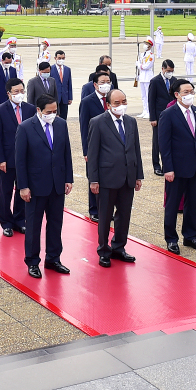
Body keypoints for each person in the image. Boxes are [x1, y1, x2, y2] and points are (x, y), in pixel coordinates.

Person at [15, 95, 74, 278]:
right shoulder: (25, 127)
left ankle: (53, 258)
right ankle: (32, 261)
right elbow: (20, 160)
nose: (52, 114)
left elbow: (66, 152)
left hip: (57, 184)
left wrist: (68, 178)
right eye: (49, 112)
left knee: (56, 223)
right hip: (35, 186)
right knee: (33, 225)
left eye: (55, 111)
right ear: (39, 110)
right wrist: (23, 186)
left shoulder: (61, 124)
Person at [86, 88, 143, 267]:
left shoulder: (131, 122)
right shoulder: (97, 122)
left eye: (123, 102)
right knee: (105, 216)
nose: (121, 105)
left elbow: (136, 150)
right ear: (108, 105)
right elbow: (92, 154)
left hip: (127, 177)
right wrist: (93, 179)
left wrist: (138, 175)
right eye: (117, 103)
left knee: (124, 215)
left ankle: (119, 247)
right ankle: (104, 250)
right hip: (107, 178)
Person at [158, 79, 196, 254]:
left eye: (191, 91)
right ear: (177, 95)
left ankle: (190, 236)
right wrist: (168, 168)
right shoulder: (168, 114)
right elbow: (164, 144)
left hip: (194, 166)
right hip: (176, 168)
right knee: (172, 205)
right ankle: (171, 239)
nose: (189, 95)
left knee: (192, 204)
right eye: (186, 92)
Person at [0, 77, 33, 237]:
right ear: (9, 93)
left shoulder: (30, 109)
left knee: (22, 189)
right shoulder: (0, 110)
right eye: (16, 91)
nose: (19, 94)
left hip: (26, 158)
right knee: (6, 192)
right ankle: (6, 222)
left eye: (22, 91)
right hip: (8, 158)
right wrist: (0, 159)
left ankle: (19, 220)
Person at [77, 71, 111, 221]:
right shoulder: (87, 102)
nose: (106, 85)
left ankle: (107, 209)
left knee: (109, 179)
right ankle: (94, 210)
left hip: (111, 147)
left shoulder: (112, 99)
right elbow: (84, 128)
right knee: (94, 177)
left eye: (108, 82)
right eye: (103, 82)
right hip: (94, 146)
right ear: (95, 85)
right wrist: (86, 151)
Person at [147, 60, 176, 175]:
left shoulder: (174, 80)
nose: (170, 73)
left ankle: (166, 164)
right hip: (159, 115)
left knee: (170, 141)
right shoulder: (155, 81)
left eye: (172, 71)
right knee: (157, 142)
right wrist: (152, 118)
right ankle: (156, 165)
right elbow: (151, 100)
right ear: (163, 69)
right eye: (168, 71)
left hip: (171, 115)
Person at [136, 38, 156, 119]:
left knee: (148, 95)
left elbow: (147, 66)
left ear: (150, 46)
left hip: (148, 76)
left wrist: (139, 65)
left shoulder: (151, 55)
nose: (145, 45)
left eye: (147, 44)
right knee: (143, 95)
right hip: (142, 77)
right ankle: (145, 110)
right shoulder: (142, 54)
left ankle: (149, 111)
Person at [51, 50, 73, 120]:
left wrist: (70, 97)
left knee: (63, 117)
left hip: (64, 98)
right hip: (54, 98)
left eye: (63, 58)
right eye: (59, 58)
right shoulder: (51, 69)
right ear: (55, 58)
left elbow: (69, 84)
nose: (61, 60)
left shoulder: (67, 69)